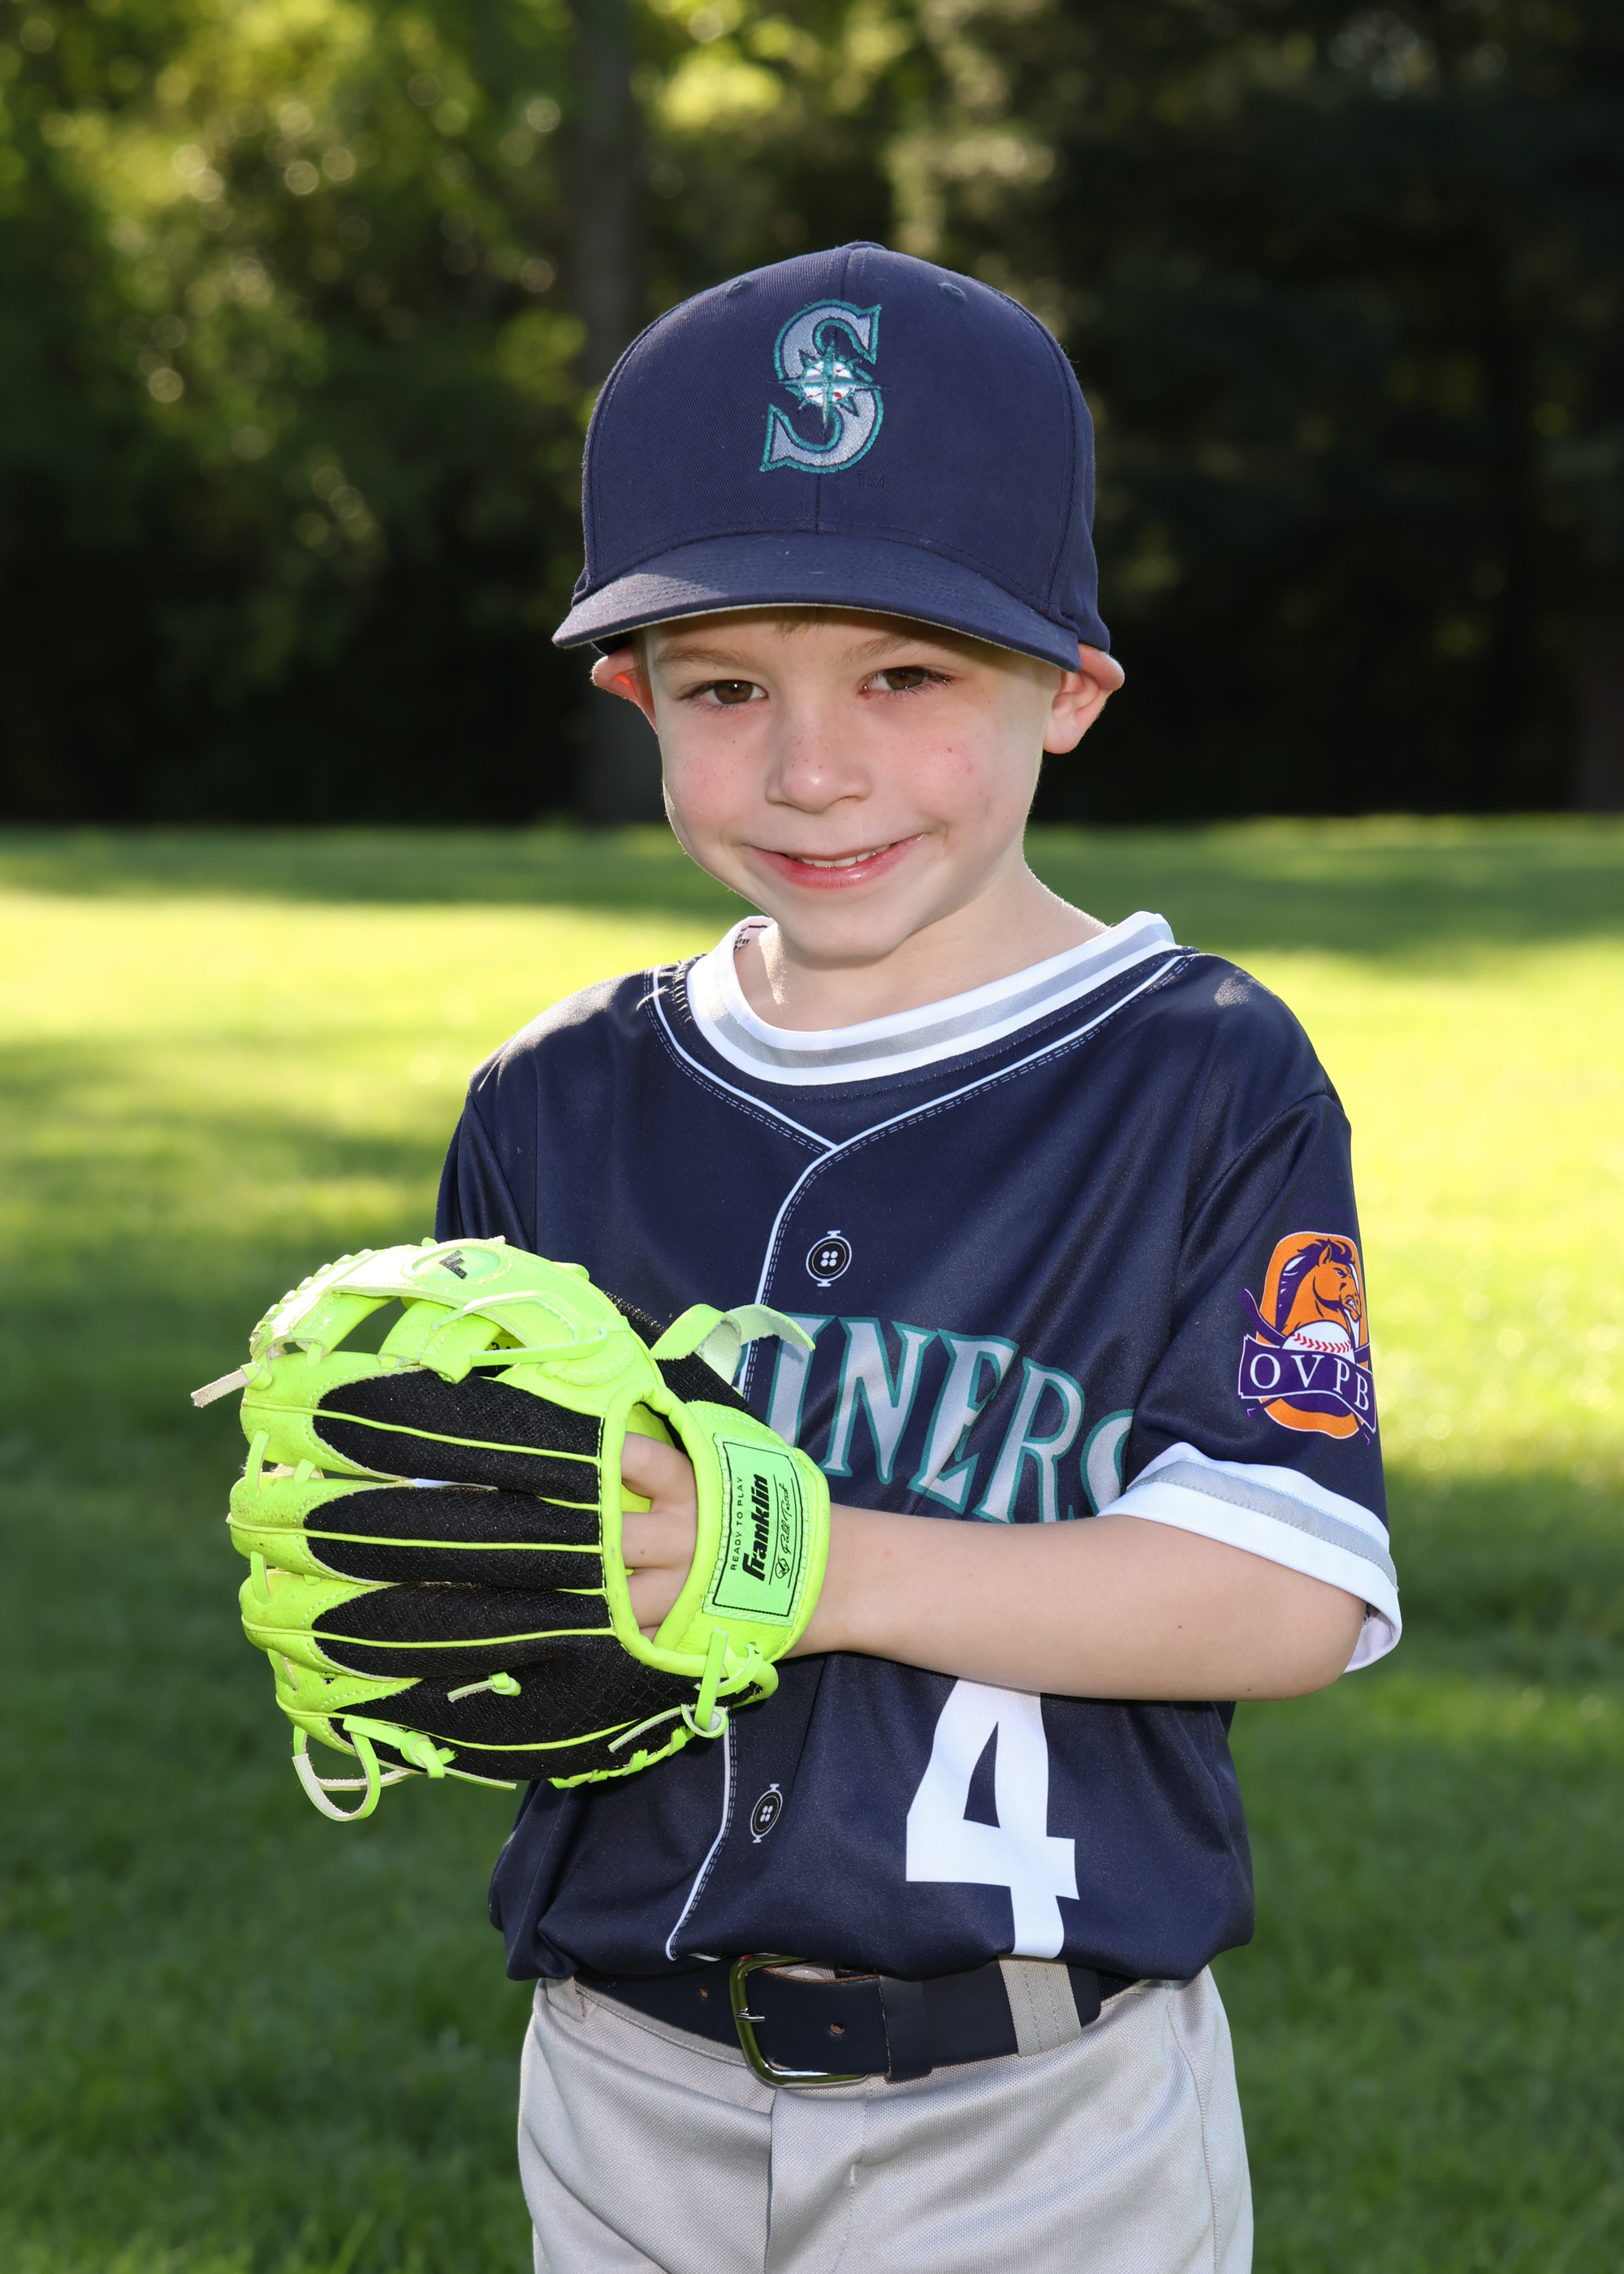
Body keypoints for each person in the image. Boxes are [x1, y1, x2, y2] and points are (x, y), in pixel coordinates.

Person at [435, 242, 1399, 2274]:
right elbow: (508, 1624)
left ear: (1071, 690)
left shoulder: (1202, 1076)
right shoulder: (550, 1103)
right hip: (618, 2075)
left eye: (906, 676)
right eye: (726, 687)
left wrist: (809, 1564)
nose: (812, 766)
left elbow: (1286, 1588)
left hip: (1042, 2107)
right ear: (633, 694)